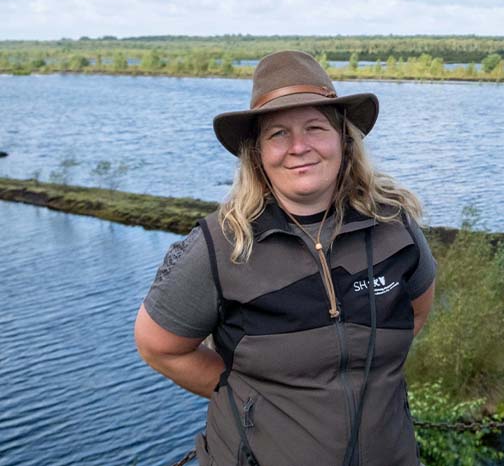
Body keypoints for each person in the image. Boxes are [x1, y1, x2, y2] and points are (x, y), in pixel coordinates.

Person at [134, 50, 436, 465]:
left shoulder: (394, 225)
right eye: (278, 134)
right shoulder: (221, 244)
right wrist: (252, 398)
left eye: (315, 128)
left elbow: (415, 314)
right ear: (257, 152)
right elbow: (158, 347)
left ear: (344, 140)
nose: (299, 147)